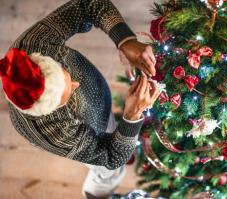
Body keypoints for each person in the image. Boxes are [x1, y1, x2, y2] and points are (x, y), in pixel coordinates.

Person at [0, 0, 159, 198]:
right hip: (93, 133)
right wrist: (133, 115)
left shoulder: (35, 44)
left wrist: (124, 40)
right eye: (66, 96)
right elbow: (111, 157)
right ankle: (95, 194)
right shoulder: (55, 132)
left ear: (47, 60)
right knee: (108, 172)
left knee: (112, 129)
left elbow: (90, 4)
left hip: (98, 107)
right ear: (51, 110)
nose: (76, 84)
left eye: (65, 73)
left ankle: (117, 131)